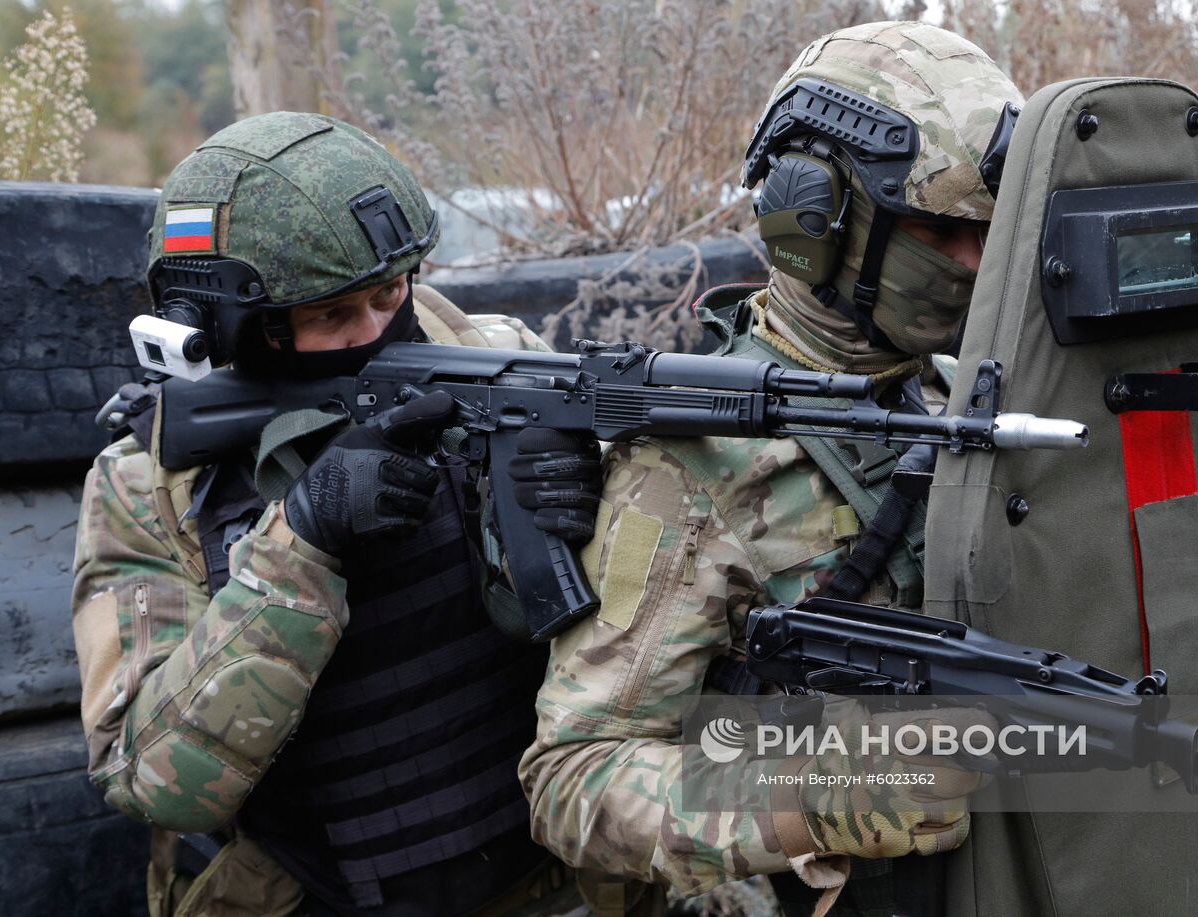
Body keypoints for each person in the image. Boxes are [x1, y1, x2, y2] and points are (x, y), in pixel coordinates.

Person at [519, 21, 1023, 915]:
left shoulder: (958, 395)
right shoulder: (690, 468)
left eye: (992, 229)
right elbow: (573, 778)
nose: (975, 261)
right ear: (815, 222)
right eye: (942, 230)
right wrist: (817, 800)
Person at [70, 112, 602, 916]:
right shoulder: (150, 486)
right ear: (234, 330)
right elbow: (151, 778)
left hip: (557, 878)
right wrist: (301, 544)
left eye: (391, 294)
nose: (378, 334)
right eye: (331, 317)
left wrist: (596, 496)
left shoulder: (500, 359)